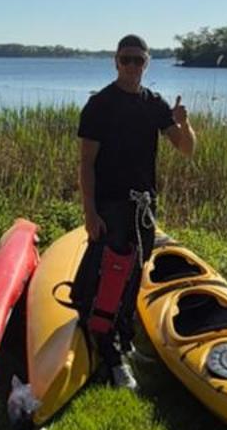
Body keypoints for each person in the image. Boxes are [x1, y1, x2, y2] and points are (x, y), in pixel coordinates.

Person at [75, 33, 196, 388]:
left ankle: (125, 340)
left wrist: (183, 122)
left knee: (134, 275)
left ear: (147, 63)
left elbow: (185, 149)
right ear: (115, 61)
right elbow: (85, 164)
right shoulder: (99, 105)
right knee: (111, 276)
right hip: (110, 207)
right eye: (125, 59)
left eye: (138, 60)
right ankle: (111, 358)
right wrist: (90, 213)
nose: (131, 67)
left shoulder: (154, 104)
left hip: (144, 207)